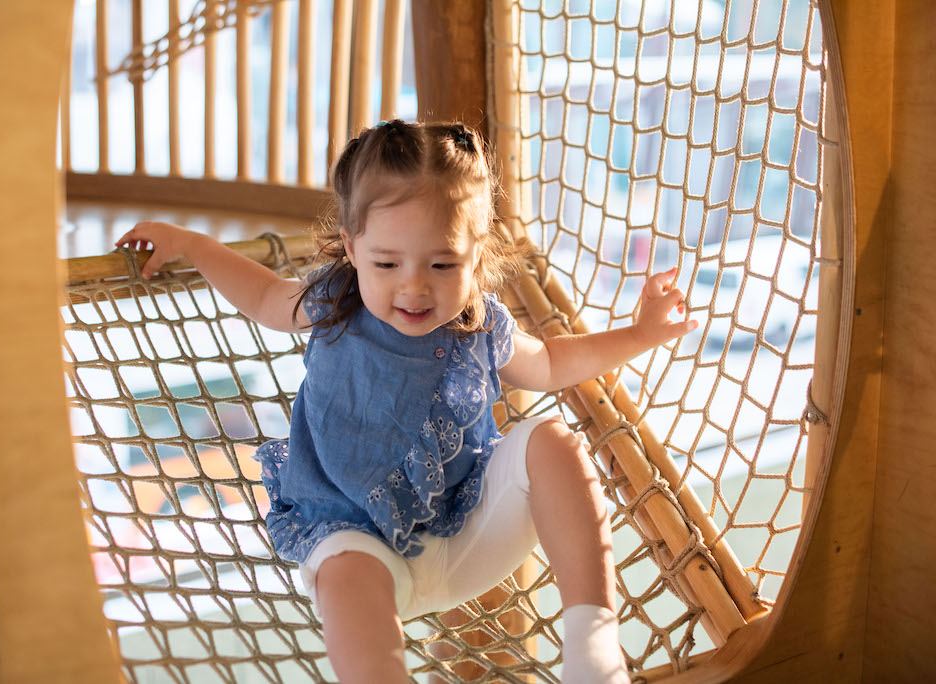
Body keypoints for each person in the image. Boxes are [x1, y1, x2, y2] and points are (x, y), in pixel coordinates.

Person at [116, 119, 697, 683]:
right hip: (357, 542)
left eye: (443, 264)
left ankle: (593, 654)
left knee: (554, 443)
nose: (414, 287)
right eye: (387, 264)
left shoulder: (479, 322)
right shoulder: (332, 300)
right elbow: (266, 296)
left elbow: (550, 364)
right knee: (343, 581)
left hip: (468, 531)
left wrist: (640, 334)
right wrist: (190, 243)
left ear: (476, 252)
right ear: (351, 247)